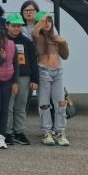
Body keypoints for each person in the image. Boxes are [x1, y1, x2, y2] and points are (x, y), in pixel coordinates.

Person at [33, 12, 71, 146]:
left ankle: (60, 132)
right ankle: (47, 132)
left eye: (50, 21)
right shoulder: (37, 36)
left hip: (58, 71)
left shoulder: (56, 37)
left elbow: (65, 56)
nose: (47, 23)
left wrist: (63, 42)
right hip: (44, 71)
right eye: (45, 21)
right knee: (44, 103)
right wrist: (42, 18)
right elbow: (35, 31)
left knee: (60, 103)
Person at [5, 13, 38, 145]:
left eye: (19, 26)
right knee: (8, 105)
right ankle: (7, 132)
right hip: (7, 76)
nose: (16, 28)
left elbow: (33, 62)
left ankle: (18, 131)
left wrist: (35, 80)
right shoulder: (3, 41)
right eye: (13, 26)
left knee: (21, 105)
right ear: (7, 26)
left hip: (24, 76)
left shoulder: (27, 42)